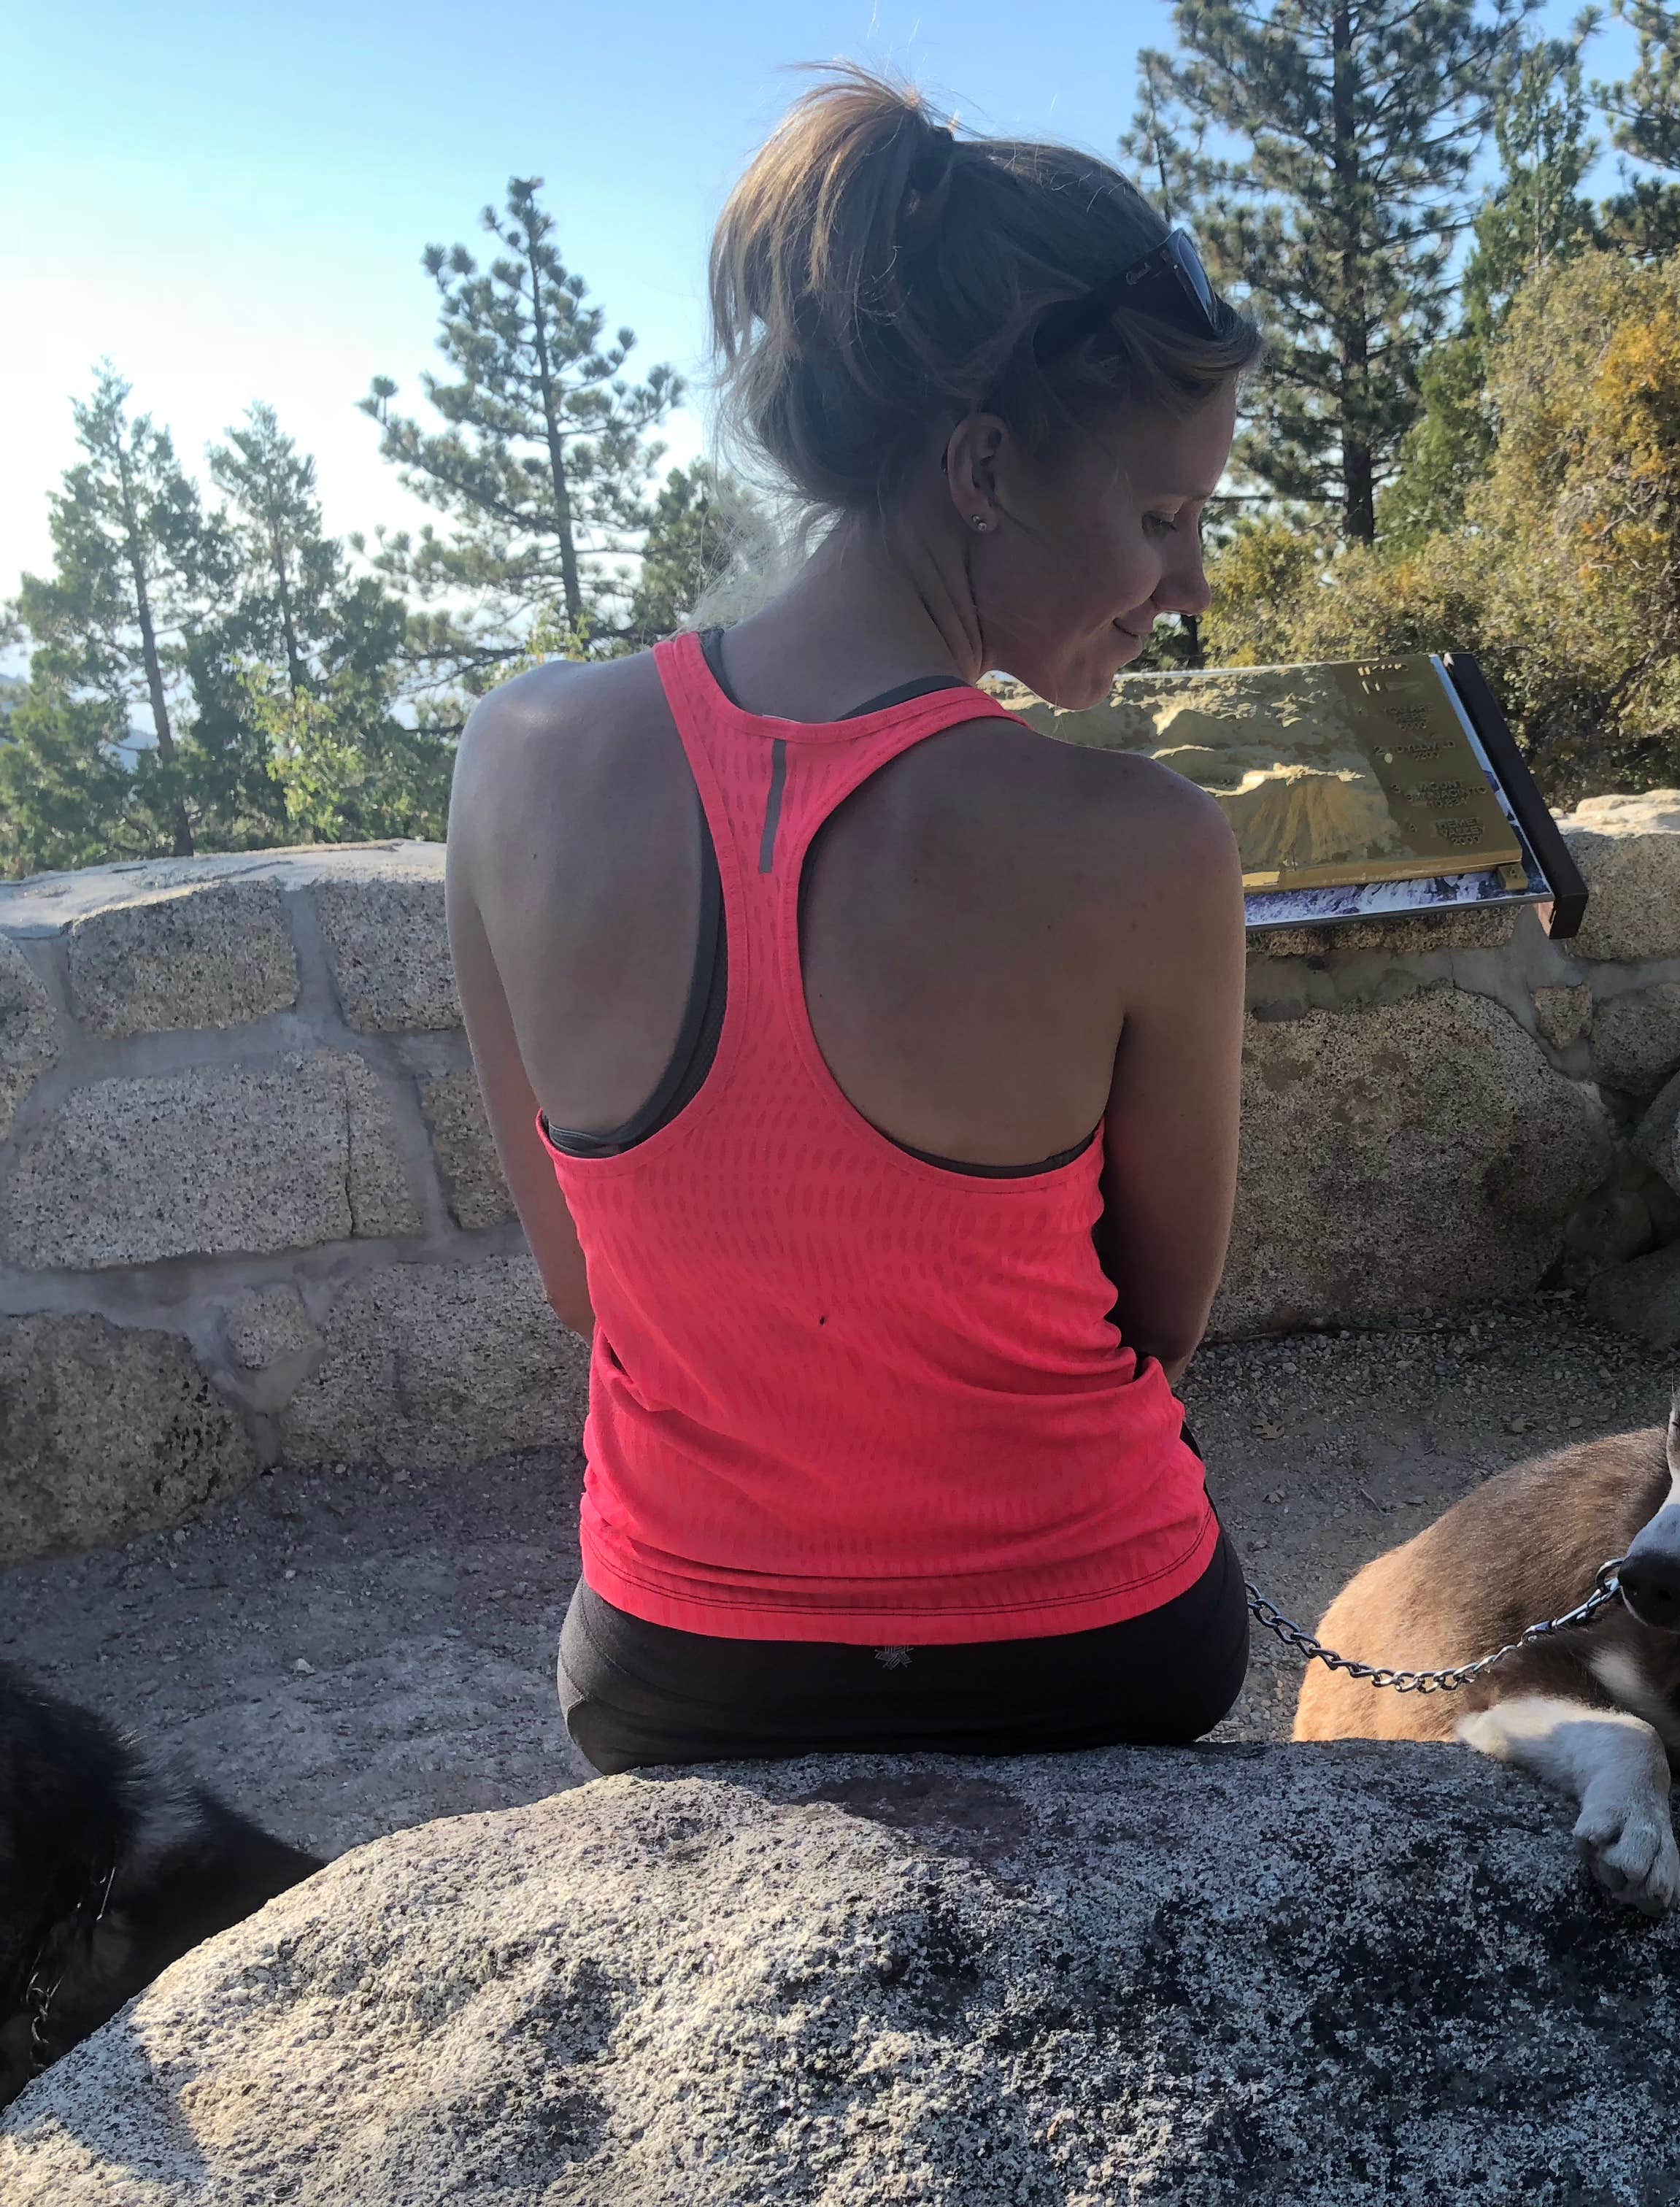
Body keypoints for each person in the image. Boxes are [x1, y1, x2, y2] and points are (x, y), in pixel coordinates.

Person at [445, 67, 1265, 1776]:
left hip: (678, 1661)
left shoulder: (512, 761)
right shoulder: (1146, 850)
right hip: (1098, 1642)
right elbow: (1158, 1323)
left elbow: (585, 1290)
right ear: (984, 466)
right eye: (1162, 517)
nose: (1188, 589)